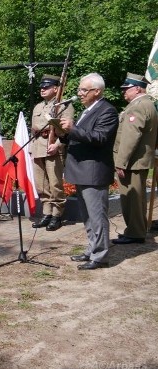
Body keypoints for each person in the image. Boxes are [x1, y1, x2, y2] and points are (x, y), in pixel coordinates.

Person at [60, 73, 119, 270]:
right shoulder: (87, 110)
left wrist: (73, 129)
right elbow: (80, 137)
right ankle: (92, 249)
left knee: (97, 216)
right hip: (81, 169)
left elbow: (99, 138)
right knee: (86, 216)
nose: (80, 93)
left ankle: (101, 256)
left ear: (97, 91)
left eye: (84, 90)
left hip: (93, 171)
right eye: (79, 89)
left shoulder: (107, 111)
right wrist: (63, 134)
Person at [111, 73, 158, 244]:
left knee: (133, 198)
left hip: (133, 162)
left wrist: (121, 162)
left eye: (126, 89)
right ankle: (133, 229)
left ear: (137, 88)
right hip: (136, 160)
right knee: (133, 198)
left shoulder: (138, 106)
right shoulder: (147, 104)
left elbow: (130, 138)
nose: (123, 92)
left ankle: (136, 232)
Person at [30, 75, 75, 231]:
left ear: (56, 89)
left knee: (55, 184)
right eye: (42, 87)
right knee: (41, 184)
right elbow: (33, 130)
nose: (43, 89)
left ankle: (57, 215)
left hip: (53, 148)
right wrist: (32, 149)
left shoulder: (64, 106)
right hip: (38, 148)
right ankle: (46, 213)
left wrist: (57, 146)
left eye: (47, 87)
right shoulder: (37, 107)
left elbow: (65, 131)